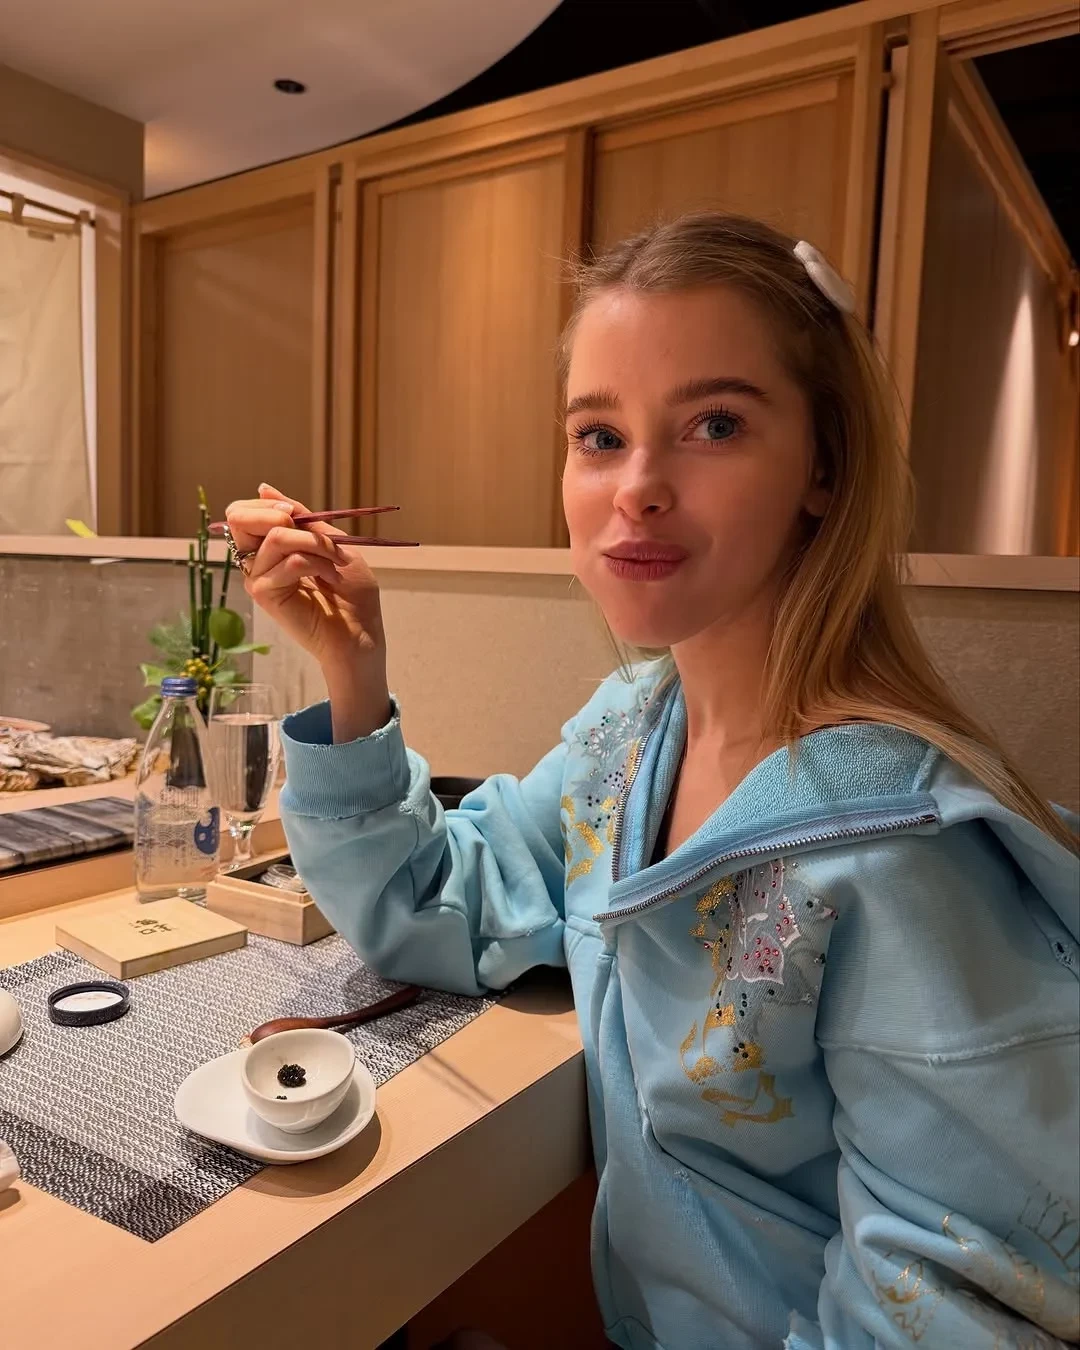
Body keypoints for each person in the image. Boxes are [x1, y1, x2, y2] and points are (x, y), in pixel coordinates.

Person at [225, 213, 1079, 1350]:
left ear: (824, 467)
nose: (637, 487)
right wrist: (352, 670)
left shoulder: (903, 855)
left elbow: (953, 1305)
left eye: (714, 425)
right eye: (598, 435)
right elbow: (434, 903)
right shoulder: (626, 740)